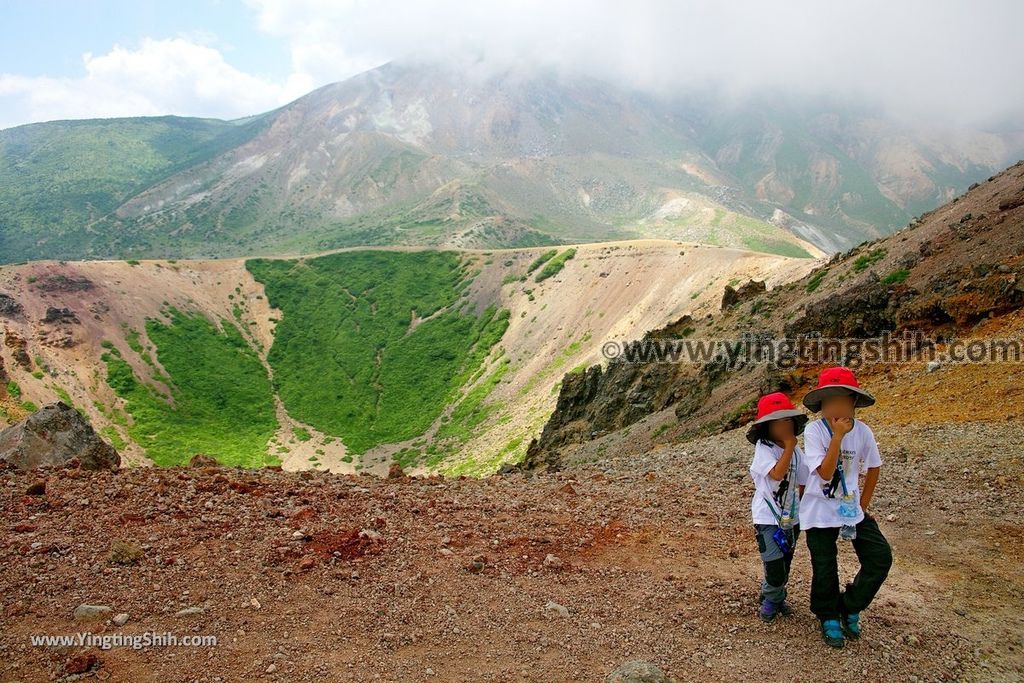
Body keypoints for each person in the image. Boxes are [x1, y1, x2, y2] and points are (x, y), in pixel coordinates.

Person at [801, 366, 893, 648]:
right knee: (825, 565)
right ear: (822, 405)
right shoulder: (814, 431)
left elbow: (874, 467)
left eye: (843, 399)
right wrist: (837, 437)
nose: (837, 406)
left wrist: (862, 506)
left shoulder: (864, 431)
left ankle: (850, 605)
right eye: (830, 400)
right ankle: (828, 615)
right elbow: (826, 473)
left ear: (854, 402)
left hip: (850, 508)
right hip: (818, 509)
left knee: (879, 556)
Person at [746, 392, 809, 622]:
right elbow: (776, 473)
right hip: (767, 517)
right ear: (767, 428)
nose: (783, 427)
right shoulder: (764, 448)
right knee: (773, 563)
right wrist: (790, 445)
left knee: (785, 561)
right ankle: (772, 598)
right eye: (777, 423)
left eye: (787, 421)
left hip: (791, 518)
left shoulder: (798, 454)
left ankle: (775, 596)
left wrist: (802, 511)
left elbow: (804, 481)